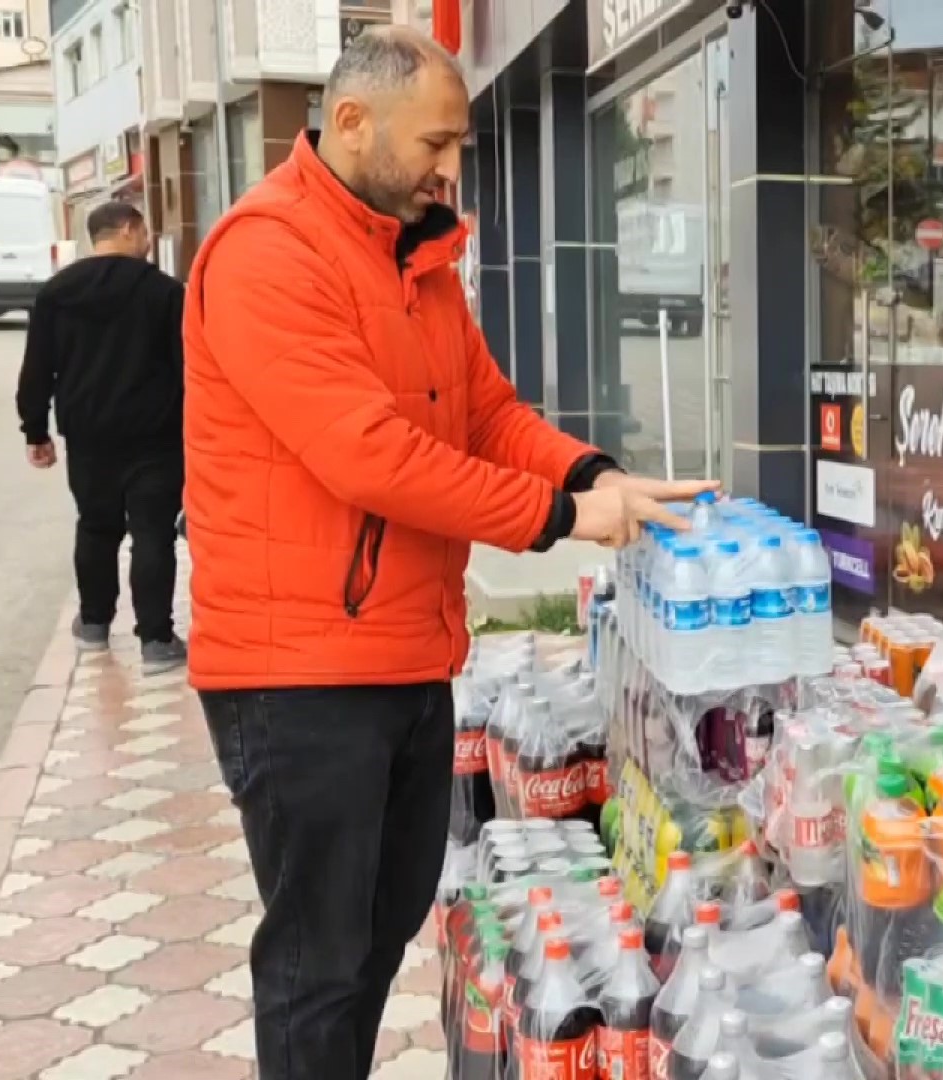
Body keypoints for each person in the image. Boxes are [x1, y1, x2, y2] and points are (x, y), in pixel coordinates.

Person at [184, 27, 714, 1080]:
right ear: (350, 122)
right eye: (437, 142)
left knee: (376, 941)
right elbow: (371, 458)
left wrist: (590, 477)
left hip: (408, 657)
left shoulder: (414, 255)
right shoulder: (266, 254)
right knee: (316, 962)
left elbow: (486, 413)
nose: (450, 168)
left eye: (459, 144)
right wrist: (558, 522)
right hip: (299, 676)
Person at [16, 200, 188, 674]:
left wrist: (36, 429)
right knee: (152, 533)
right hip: (156, 439)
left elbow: (37, 367)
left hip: (88, 438)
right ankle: (156, 641)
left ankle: (93, 626)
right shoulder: (165, 292)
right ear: (130, 229)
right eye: (146, 229)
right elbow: (190, 369)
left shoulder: (57, 292)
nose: (149, 238)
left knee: (96, 527)